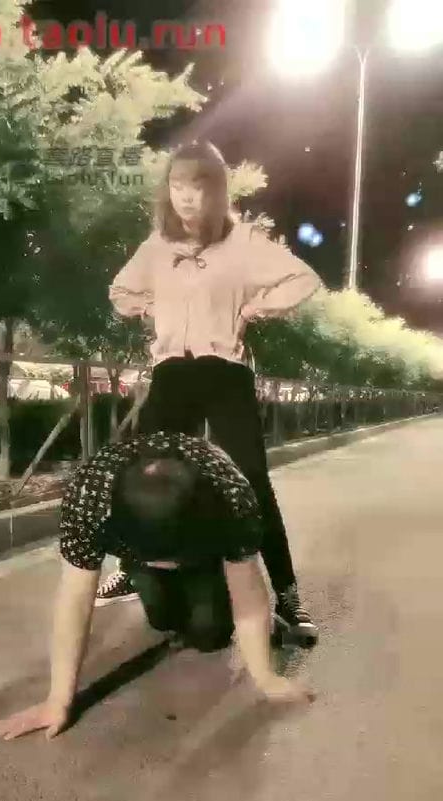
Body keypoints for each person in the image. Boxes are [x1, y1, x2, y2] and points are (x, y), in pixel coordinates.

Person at [96, 139, 321, 648]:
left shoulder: (243, 244)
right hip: (172, 371)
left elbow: (303, 278)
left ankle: (287, 594)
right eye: (177, 185)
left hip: (224, 372)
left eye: (197, 186)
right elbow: (120, 291)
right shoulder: (157, 246)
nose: (186, 196)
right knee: (144, 471)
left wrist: (255, 308)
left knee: (251, 480)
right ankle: (131, 566)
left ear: (216, 190)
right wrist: (150, 307)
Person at [0, 432, 315, 742]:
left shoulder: (232, 496)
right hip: (138, 549)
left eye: (171, 560)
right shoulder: (89, 497)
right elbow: (75, 598)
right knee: (163, 619)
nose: (169, 565)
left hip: (202, 550)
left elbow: (248, 592)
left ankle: (201, 575)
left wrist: (266, 678)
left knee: (211, 635)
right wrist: (58, 700)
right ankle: (138, 575)